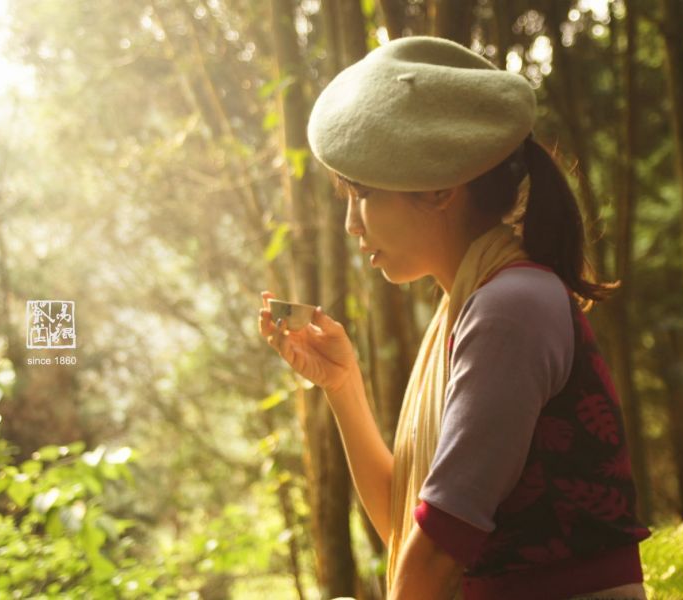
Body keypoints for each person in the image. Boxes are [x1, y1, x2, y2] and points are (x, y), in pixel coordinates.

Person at [259, 35, 650, 600]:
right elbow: (411, 527)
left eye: (362, 194)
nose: (352, 223)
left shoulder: (509, 308)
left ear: (440, 189)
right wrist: (343, 386)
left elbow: (439, 553)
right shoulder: (476, 303)